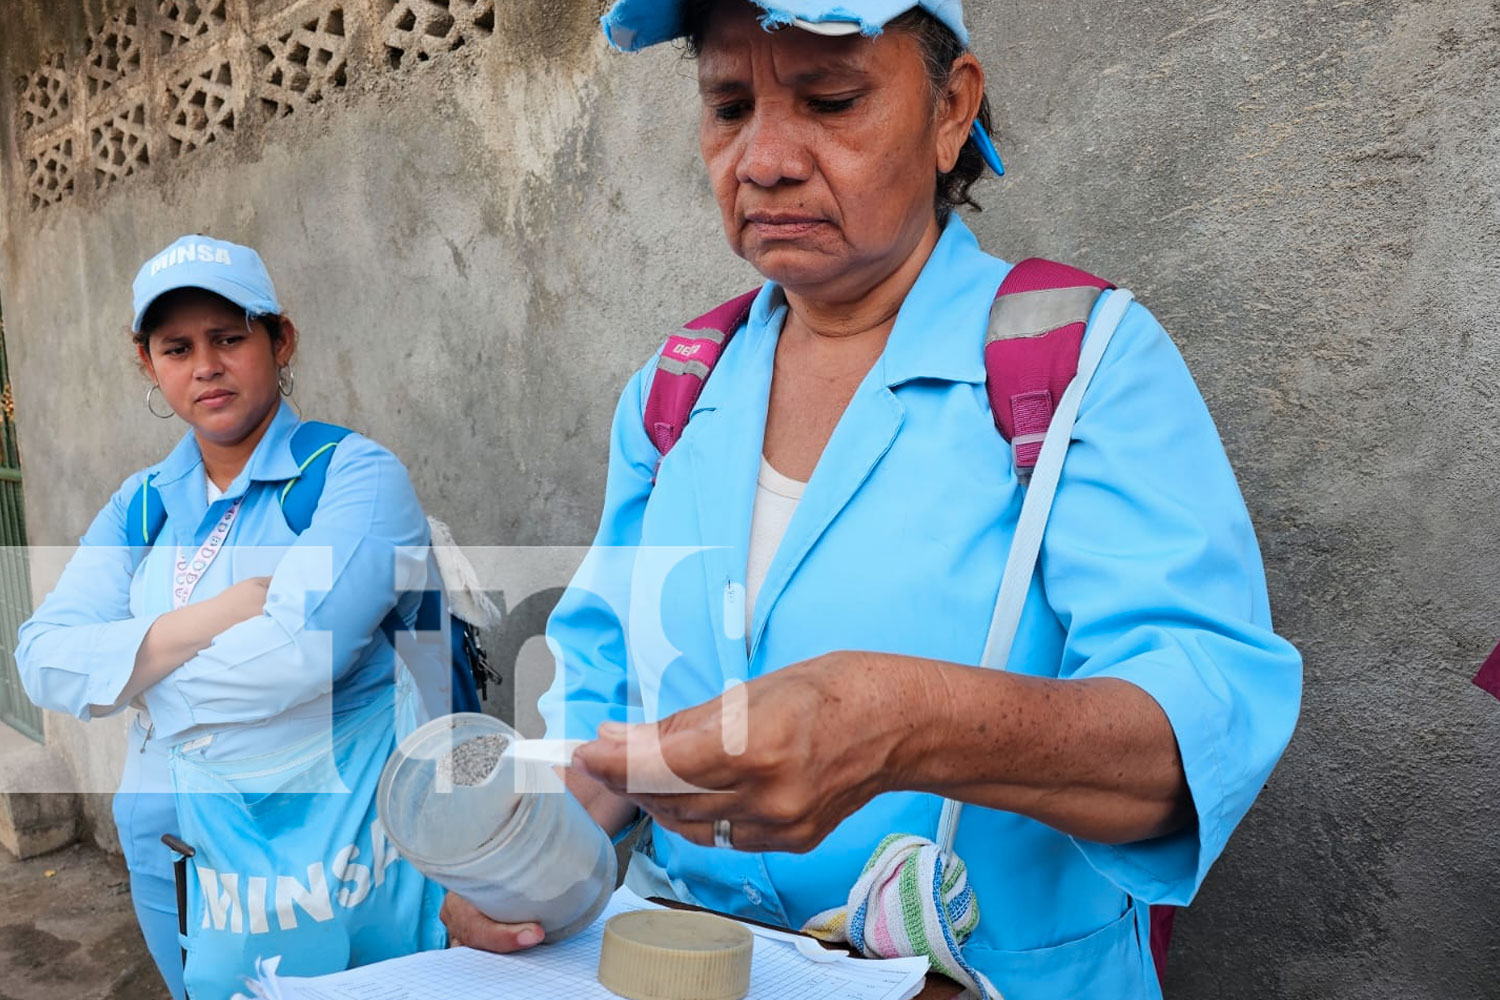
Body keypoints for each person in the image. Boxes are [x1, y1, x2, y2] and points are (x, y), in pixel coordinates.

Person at [442, 2, 1303, 997]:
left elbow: (1203, 727)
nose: (763, 160)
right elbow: (602, 695)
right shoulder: (677, 392)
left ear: (951, 109)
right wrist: (526, 854)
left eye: (831, 100)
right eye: (728, 106)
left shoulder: (1079, 364)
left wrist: (898, 720)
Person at [17, 235, 443, 999]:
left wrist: (123, 679)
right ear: (147, 364)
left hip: (330, 850)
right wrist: (218, 615)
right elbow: (42, 659)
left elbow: (294, 655)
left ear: (280, 340)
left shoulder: (354, 478)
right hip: (170, 849)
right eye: (176, 347)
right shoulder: (142, 504)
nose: (205, 365)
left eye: (228, 337)